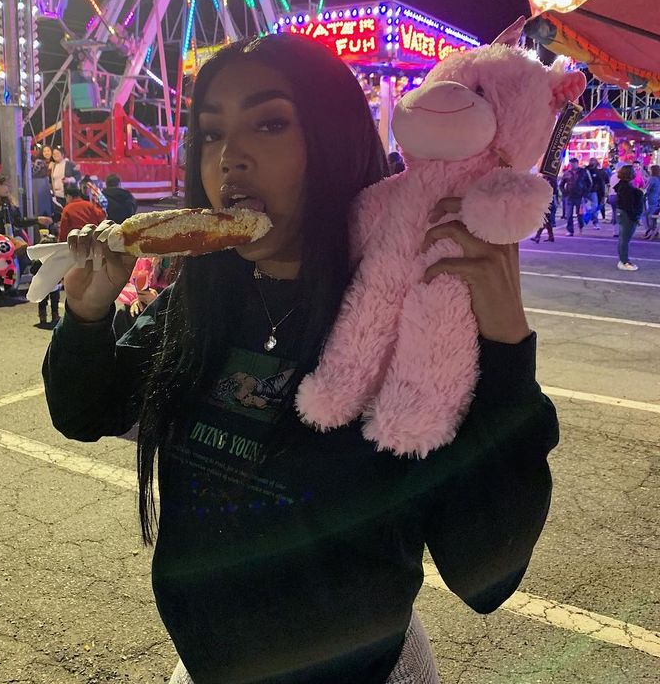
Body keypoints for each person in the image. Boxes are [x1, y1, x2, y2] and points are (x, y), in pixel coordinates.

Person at [42, 34, 559, 684]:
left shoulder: (402, 319)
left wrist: (507, 349)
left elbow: (487, 572)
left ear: (334, 138)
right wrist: (87, 317)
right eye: (209, 134)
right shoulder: (202, 300)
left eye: (269, 123)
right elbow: (84, 411)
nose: (229, 157)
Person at [0, 173, 52, 298]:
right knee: (4, 250)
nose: (8, 189)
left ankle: (11, 284)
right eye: (6, 186)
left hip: (8, 238)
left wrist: (37, 220)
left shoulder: (8, 202)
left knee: (24, 254)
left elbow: (18, 221)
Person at [614, 164, 644, 271]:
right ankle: (624, 261)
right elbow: (628, 205)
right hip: (626, 214)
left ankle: (623, 260)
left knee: (623, 238)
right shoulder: (625, 187)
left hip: (622, 212)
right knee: (625, 239)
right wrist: (635, 218)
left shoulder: (623, 185)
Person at [560, 157, 591, 236]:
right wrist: (564, 192)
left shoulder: (583, 172)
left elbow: (589, 183)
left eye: (573, 163)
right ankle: (570, 230)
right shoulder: (567, 173)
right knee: (569, 214)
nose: (572, 165)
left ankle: (581, 227)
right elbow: (561, 184)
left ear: (577, 163)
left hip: (580, 196)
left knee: (579, 214)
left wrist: (585, 193)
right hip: (569, 196)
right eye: (571, 163)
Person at [530, 175, 558, 243]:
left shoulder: (552, 180)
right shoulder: (542, 179)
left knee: (544, 219)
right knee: (547, 220)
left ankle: (538, 236)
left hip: (549, 202)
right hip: (543, 201)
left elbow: (554, 191)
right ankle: (550, 237)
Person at [585, 157, 609, 227]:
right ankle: (590, 218)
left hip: (595, 191)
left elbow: (605, 182)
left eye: (593, 161)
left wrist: (605, 192)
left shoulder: (600, 172)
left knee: (595, 206)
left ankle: (594, 220)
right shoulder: (586, 170)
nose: (592, 163)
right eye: (591, 161)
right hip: (586, 191)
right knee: (588, 206)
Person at [642, 164, 660, 240]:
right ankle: (654, 230)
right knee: (653, 216)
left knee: (646, 215)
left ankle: (649, 230)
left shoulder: (652, 179)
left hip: (650, 199)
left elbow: (646, 189)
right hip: (657, 200)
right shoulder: (658, 179)